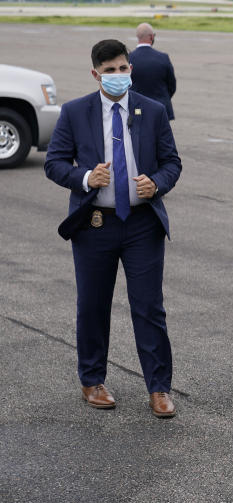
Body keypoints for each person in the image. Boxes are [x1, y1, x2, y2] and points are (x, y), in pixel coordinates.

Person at [44, 39, 182, 418]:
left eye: (123, 69)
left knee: (149, 308)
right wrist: (87, 177)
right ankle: (92, 380)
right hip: (95, 224)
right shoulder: (75, 112)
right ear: (95, 74)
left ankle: (159, 389)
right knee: (92, 306)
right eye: (110, 71)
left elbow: (172, 163)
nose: (118, 76)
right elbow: (54, 163)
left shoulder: (152, 111)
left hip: (142, 226)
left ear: (130, 69)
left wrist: (157, 183)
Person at [129, 23, 177, 121]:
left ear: (138, 37)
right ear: (151, 37)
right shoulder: (163, 57)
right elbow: (172, 85)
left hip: (138, 109)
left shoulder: (129, 58)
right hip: (160, 108)